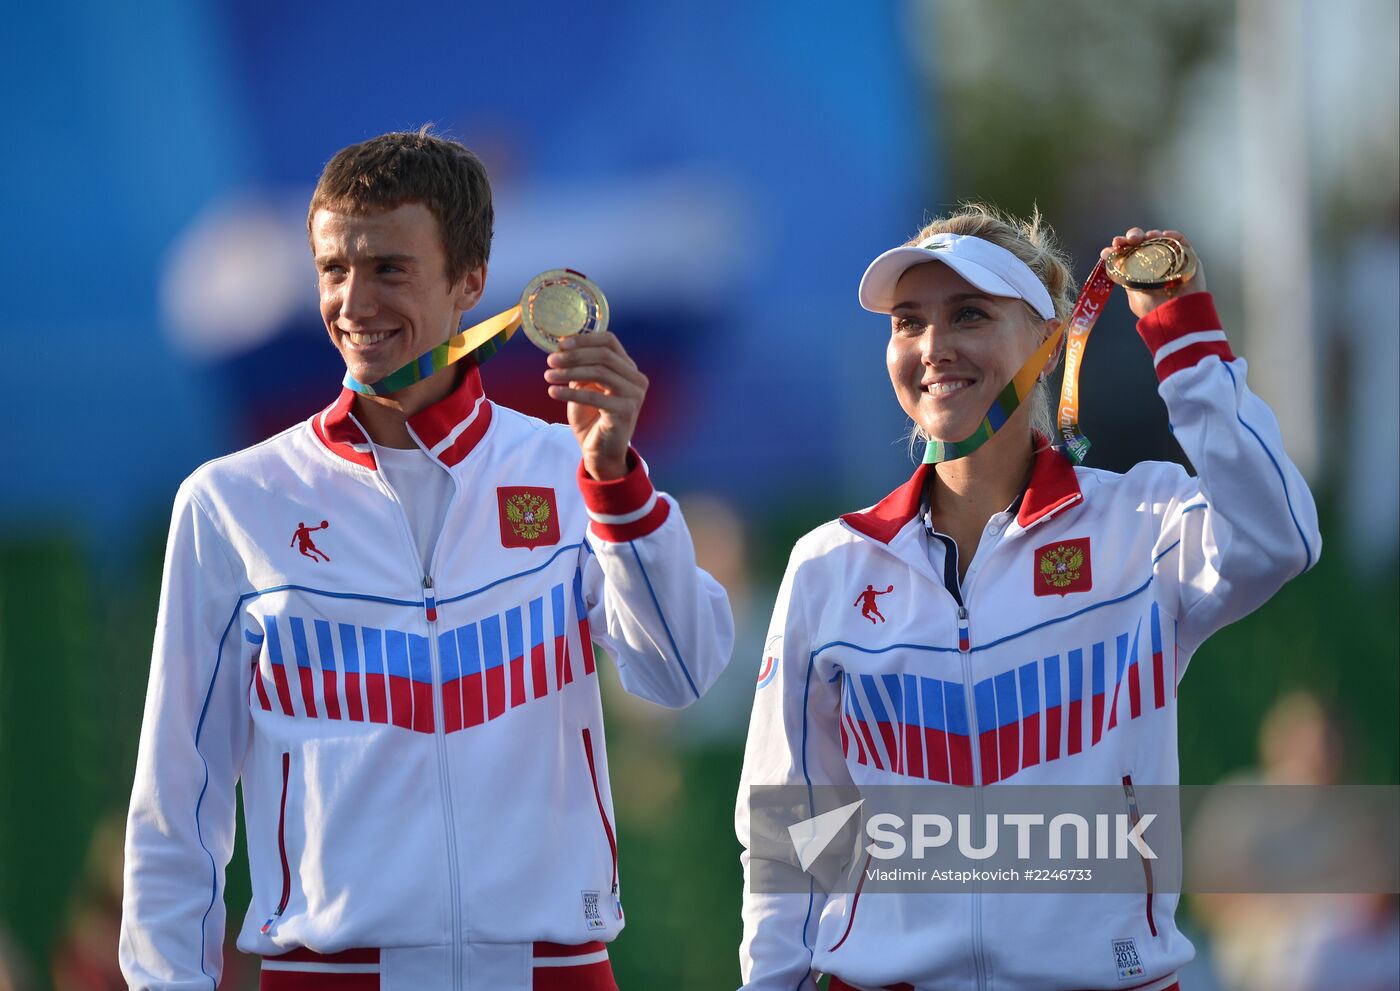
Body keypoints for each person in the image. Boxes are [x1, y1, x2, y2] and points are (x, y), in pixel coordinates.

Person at [119, 128, 734, 991]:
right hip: (330, 975)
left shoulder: (566, 467)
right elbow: (177, 797)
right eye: (335, 269)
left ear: (470, 281)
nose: (354, 301)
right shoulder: (231, 501)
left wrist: (616, 482)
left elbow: (681, 669)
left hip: (553, 970)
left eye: (390, 269)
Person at [736, 204, 1320, 990]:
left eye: (969, 314)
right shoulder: (828, 566)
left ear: (1049, 344)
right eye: (908, 323)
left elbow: (1281, 535)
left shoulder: (1139, 525)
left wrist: (1187, 343)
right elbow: (786, 831)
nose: (932, 347)